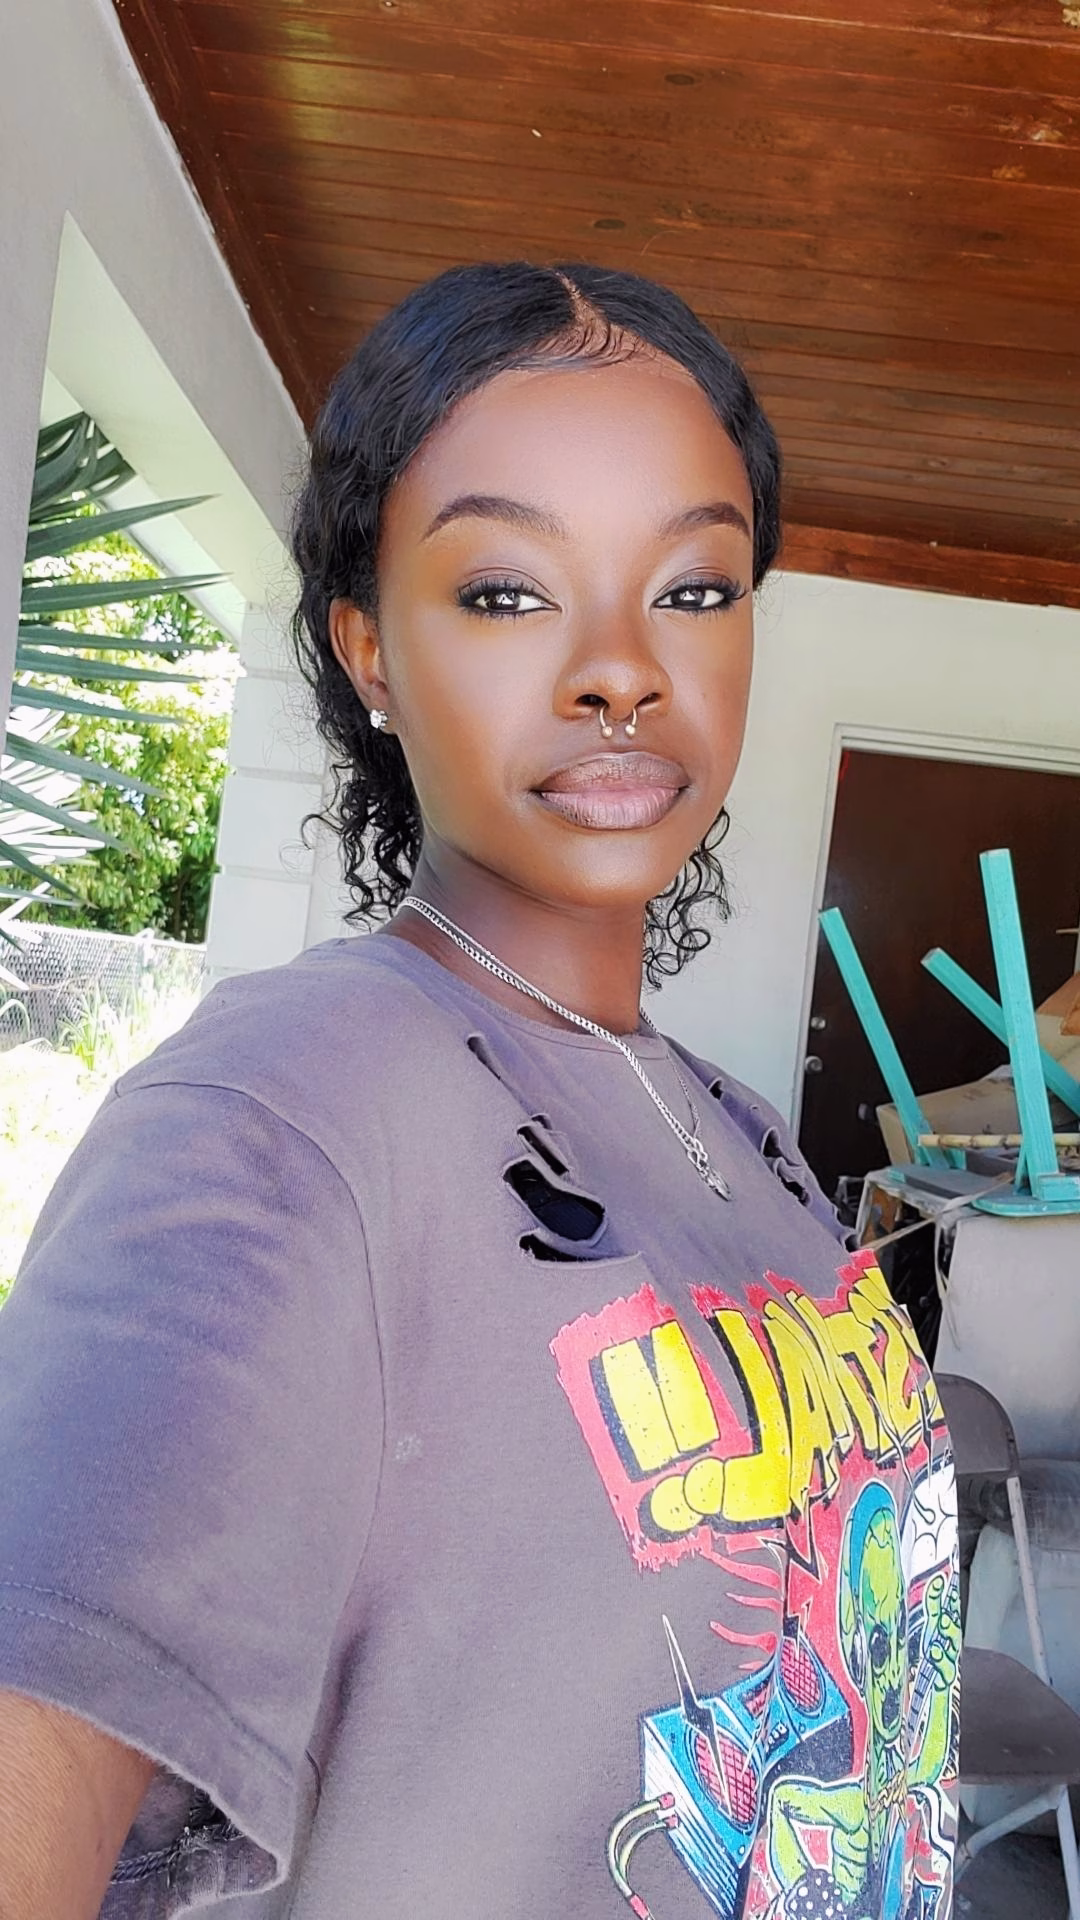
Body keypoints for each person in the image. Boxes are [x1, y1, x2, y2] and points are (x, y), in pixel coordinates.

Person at [0, 262, 959, 1920]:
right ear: (368, 648)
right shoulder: (275, 1118)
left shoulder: (739, 1132)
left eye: (695, 588)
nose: (620, 670)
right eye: (510, 592)